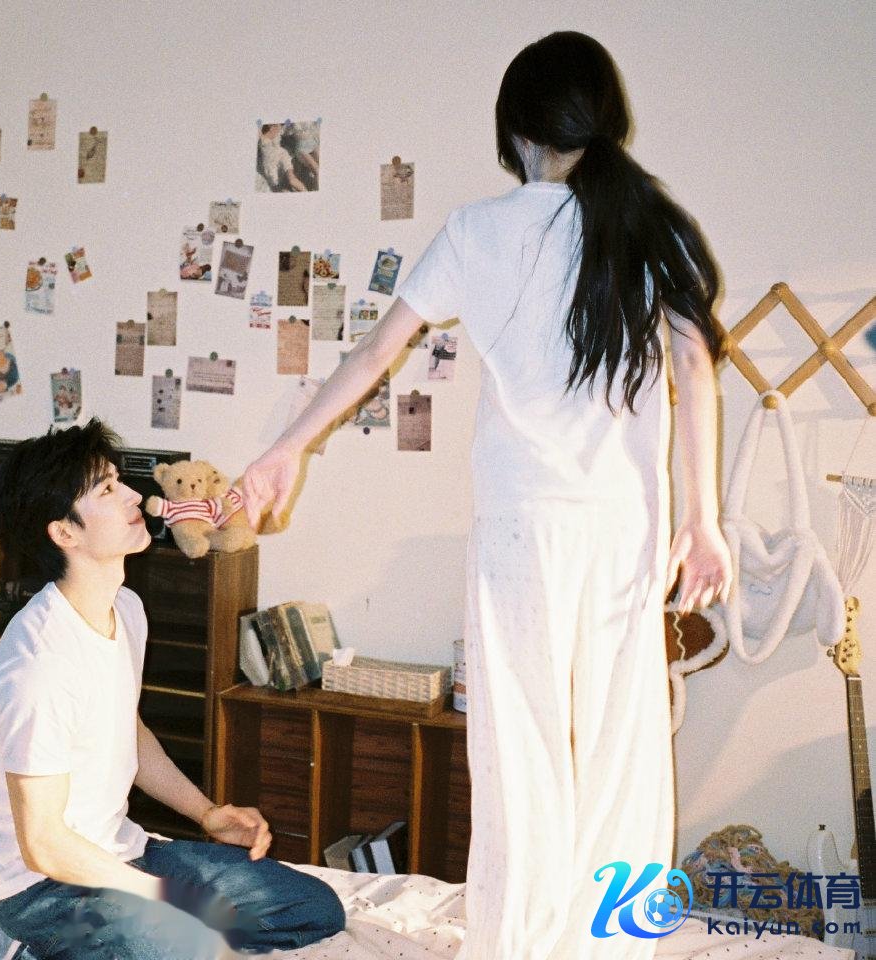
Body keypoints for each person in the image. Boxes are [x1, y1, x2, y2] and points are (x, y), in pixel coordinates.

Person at [239, 31, 732, 960]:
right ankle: (611, 944)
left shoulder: (476, 231)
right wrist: (701, 519)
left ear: (515, 130)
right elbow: (695, 364)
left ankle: (516, 941)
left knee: (518, 751)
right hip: (622, 528)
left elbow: (373, 351)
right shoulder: (648, 221)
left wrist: (285, 448)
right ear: (605, 117)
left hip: (520, 528)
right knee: (623, 743)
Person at [0, 418, 346, 959]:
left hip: (121, 856)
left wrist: (208, 814)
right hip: (44, 891)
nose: (133, 496)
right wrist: (166, 900)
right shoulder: (39, 665)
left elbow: (128, 731)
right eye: (106, 490)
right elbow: (44, 845)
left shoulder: (125, 608)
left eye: (118, 480)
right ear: (64, 533)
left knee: (313, 908)